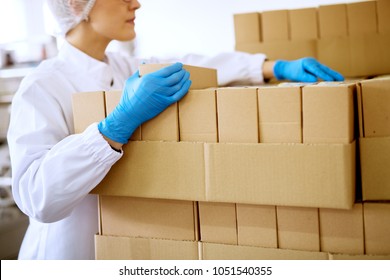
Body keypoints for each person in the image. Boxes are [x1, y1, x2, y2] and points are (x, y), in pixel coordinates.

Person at [7, 0, 344, 260]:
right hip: (66, 256)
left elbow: (191, 65)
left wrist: (271, 67)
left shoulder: (126, 67)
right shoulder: (43, 85)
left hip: (122, 248)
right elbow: (37, 197)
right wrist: (114, 126)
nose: (136, 3)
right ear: (76, 4)